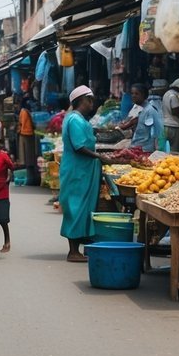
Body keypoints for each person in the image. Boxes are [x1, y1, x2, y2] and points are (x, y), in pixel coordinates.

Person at [60, 86, 114, 262]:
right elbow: (79, 146)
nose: (92, 103)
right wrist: (99, 156)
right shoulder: (75, 119)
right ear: (81, 101)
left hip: (84, 170)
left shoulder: (79, 119)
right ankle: (73, 251)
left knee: (83, 208)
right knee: (76, 207)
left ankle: (81, 246)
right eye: (89, 100)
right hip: (77, 171)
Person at [122, 83, 162, 153]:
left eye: (137, 94)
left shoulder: (150, 111)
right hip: (136, 148)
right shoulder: (138, 109)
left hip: (145, 150)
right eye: (132, 93)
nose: (133, 96)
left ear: (144, 95)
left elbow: (157, 132)